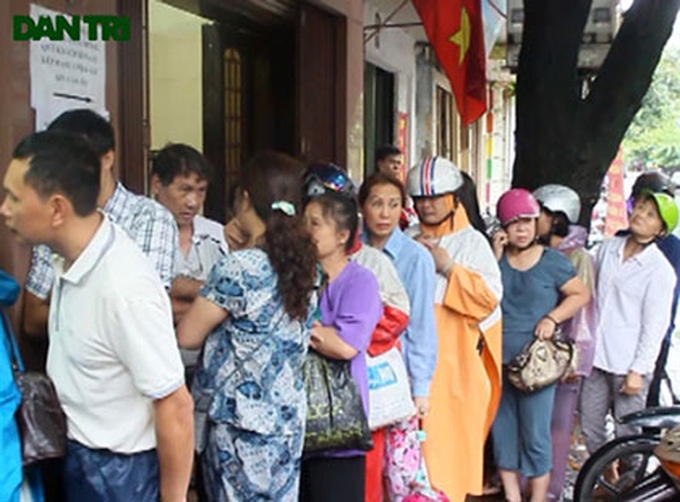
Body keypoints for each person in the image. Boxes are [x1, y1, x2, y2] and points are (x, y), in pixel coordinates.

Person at [1, 131, 193, 500]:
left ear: (57, 209)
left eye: (14, 197)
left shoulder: (123, 285)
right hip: (76, 457)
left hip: (120, 476)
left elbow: (176, 405)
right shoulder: (69, 258)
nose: (4, 209)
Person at [177, 151, 318, 501]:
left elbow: (188, 336)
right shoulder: (307, 267)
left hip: (239, 423)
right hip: (285, 418)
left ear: (245, 199)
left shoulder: (239, 269)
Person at [22, 109, 178, 343]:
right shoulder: (56, 216)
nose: (67, 172)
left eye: (77, 160)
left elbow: (139, 315)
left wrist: (62, 308)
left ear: (107, 159)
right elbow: (33, 319)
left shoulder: (149, 217)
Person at [405, 156, 503, 501]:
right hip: (412, 368)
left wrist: (448, 267)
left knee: (452, 463)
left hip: (457, 371)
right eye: (420, 199)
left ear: (454, 199)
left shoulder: (472, 242)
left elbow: (488, 299)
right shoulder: (406, 237)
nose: (427, 205)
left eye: (435, 197)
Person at [491, 188, 590, 502]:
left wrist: (552, 318)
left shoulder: (552, 262)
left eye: (528, 221)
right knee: (502, 433)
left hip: (536, 364)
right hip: (496, 359)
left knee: (536, 436)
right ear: (503, 227)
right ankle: (512, 497)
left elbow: (580, 294)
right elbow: (483, 296)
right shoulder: (496, 261)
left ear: (538, 224)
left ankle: (537, 498)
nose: (521, 229)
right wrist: (493, 257)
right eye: (514, 222)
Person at [358, 171, 438, 500]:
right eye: (377, 204)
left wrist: (421, 388)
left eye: (393, 205)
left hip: (396, 374)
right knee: (363, 461)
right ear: (362, 207)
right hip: (356, 367)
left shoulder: (416, 257)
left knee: (399, 466)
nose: (385, 213)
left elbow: (421, 325)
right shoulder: (350, 248)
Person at [581, 190, 678, 459]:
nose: (640, 215)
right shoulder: (609, 248)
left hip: (628, 364)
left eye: (650, 215)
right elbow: (585, 274)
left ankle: (628, 489)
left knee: (627, 435)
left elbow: (655, 326)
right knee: (591, 425)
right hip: (596, 356)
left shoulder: (659, 270)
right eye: (640, 208)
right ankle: (603, 478)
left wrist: (638, 370)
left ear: (661, 230)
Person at [300, 191, 383, 502]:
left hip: (337, 424)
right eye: (304, 222)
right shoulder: (296, 276)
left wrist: (301, 326)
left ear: (342, 235)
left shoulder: (360, 282)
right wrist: (321, 332)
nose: (305, 231)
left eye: (315, 223)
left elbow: (346, 345)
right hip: (295, 423)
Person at [533, 184, 596, 501]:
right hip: (535, 353)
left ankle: (552, 490)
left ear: (556, 218)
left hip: (562, 355)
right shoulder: (537, 252)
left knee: (559, 429)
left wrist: (575, 357)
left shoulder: (578, 257)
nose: (533, 220)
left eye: (539, 214)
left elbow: (582, 315)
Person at [623, 172, 680, 407]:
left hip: (653, 338)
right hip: (612, 341)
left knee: (643, 406)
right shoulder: (618, 242)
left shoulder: (671, 249)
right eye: (641, 206)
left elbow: (665, 306)